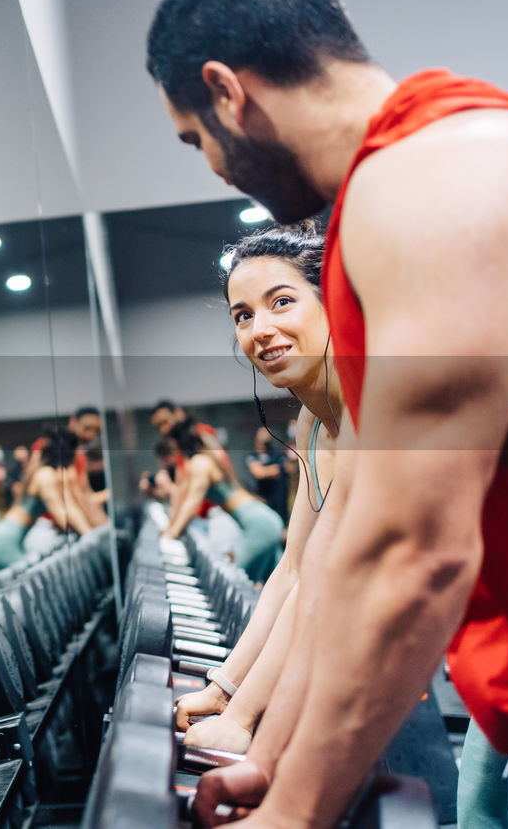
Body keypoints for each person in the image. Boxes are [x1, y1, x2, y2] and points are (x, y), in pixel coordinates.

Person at [147, 0, 508, 825]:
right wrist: (269, 753)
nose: (211, 167)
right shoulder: (389, 194)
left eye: (192, 140)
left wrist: (294, 812)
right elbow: (336, 554)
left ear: (225, 91)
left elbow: (415, 552)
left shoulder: (434, 173)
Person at [172, 223, 340, 760]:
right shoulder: (310, 425)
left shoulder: (375, 411)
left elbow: (325, 581)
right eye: (243, 315)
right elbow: (292, 571)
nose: (259, 329)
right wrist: (223, 690)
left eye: (282, 302)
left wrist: (242, 719)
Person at [161, 415, 285, 585]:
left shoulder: (200, 463)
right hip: (266, 519)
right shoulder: (207, 459)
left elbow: (191, 503)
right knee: (278, 587)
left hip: (260, 526)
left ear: (179, 445)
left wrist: (171, 534)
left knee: (233, 585)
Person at [0, 428, 95, 570]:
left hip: (9, 537)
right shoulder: (45, 475)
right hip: (5, 541)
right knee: (32, 580)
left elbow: (69, 506)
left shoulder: (45, 473)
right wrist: (91, 537)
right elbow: (62, 511)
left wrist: (89, 534)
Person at [247, 425, 290, 521]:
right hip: (262, 498)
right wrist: (272, 469)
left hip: (279, 501)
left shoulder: (278, 454)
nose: (266, 435)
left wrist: (266, 470)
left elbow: (284, 469)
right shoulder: (252, 455)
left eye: (267, 432)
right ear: (256, 437)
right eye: (262, 433)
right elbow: (259, 473)